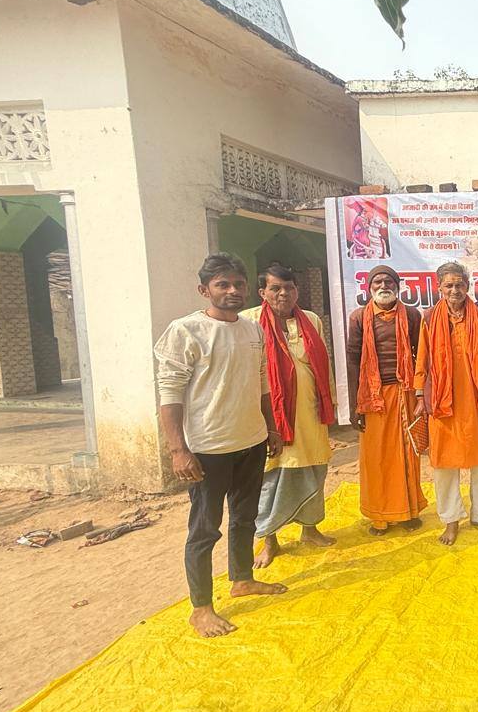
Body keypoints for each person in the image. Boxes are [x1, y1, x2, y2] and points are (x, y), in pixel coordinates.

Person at [154, 253, 287, 638]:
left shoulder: (252, 330)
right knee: (204, 529)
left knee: (245, 517)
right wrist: (178, 450)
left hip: (251, 442)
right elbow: (170, 394)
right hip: (207, 450)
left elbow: (261, 383)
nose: (232, 291)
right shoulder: (185, 331)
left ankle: (242, 579)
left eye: (238, 284)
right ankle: (201, 609)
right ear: (204, 290)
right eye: (222, 284)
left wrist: (271, 427)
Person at [241, 264, 336, 569]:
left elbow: (322, 366)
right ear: (262, 292)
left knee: (314, 470)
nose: (284, 293)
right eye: (276, 288)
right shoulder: (248, 321)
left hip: (309, 412)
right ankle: (269, 540)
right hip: (271, 416)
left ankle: (310, 529)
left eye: (290, 288)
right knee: (271, 476)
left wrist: (330, 404)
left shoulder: (311, 319)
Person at [414, 261, 478, 545]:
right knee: (444, 465)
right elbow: (422, 360)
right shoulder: (429, 317)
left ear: (468, 286)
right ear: (439, 287)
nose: (455, 290)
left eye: (460, 284)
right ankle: (450, 520)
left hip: (477, 400)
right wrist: (419, 395)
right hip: (442, 402)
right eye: (449, 285)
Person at [346, 265, 428, 535]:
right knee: (377, 457)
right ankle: (380, 516)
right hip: (373, 397)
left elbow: (421, 357)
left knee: (408, 454)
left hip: (405, 393)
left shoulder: (412, 315)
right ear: (369, 287)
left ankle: (408, 512)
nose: (383, 286)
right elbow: (353, 360)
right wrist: (354, 406)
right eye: (377, 282)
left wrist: (421, 394)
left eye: (389, 281)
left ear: (398, 286)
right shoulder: (359, 317)